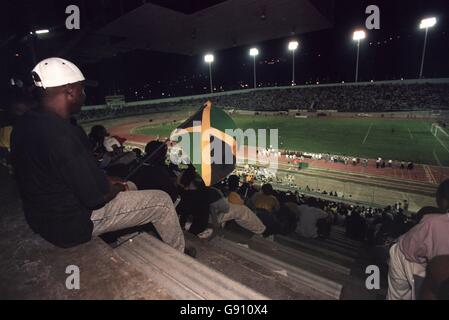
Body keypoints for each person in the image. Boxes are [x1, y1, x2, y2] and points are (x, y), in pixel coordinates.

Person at [11, 58, 185, 253]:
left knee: (133, 187)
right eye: (82, 88)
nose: (84, 94)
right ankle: (181, 256)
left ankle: (126, 241)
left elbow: (59, 174)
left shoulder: (24, 124)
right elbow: (96, 198)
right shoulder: (64, 134)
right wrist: (118, 187)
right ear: (70, 90)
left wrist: (109, 181)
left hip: (41, 217)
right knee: (160, 201)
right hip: (70, 225)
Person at [387, 180, 449, 300]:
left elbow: (405, 251)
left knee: (397, 251)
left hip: (430, 277)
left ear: (442, 200)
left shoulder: (432, 223)